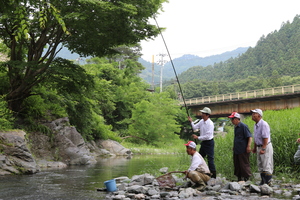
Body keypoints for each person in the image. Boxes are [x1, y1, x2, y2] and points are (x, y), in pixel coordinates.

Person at [188, 107, 216, 178]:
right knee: (199, 157)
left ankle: (213, 175)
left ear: (207, 115)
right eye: (202, 113)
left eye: (203, 113)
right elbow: (194, 128)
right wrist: (191, 122)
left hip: (209, 143)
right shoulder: (201, 121)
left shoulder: (210, 124)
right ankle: (200, 172)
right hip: (203, 143)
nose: (202, 114)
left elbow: (208, 136)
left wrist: (198, 137)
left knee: (210, 159)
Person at [251, 109, 273, 185]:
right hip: (259, 146)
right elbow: (256, 138)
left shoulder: (264, 124)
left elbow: (265, 138)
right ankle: (263, 181)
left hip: (265, 146)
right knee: (260, 164)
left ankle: (267, 182)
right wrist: (254, 148)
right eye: (252, 114)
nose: (252, 115)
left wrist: (263, 148)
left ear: (259, 116)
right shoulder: (255, 125)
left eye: (254, 114)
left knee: (266, 164)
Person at [228, 112, 252, 181]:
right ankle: (239, 177)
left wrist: (248, 146)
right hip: (237, 149)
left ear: (237, 119)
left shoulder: (243, 126)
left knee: (244, 163)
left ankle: (246, 178)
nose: (231, 121)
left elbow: (249, 137)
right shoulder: (236, 127)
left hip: (243, 149)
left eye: (232, 119)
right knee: (237, 163)